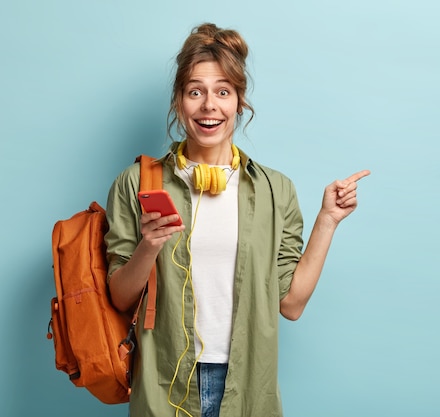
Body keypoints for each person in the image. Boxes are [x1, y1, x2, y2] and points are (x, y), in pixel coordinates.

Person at [105, 22, 369, 417]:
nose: (209, 105)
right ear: (179, 102)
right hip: (164, 384)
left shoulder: (275, 191)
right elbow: (120, 298)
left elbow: (292, 305)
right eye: (195, 91)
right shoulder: (137, 183)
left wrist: (327, 220)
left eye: (223, 92)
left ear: (239, 103)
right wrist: (150, 245)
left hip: (247, 384)